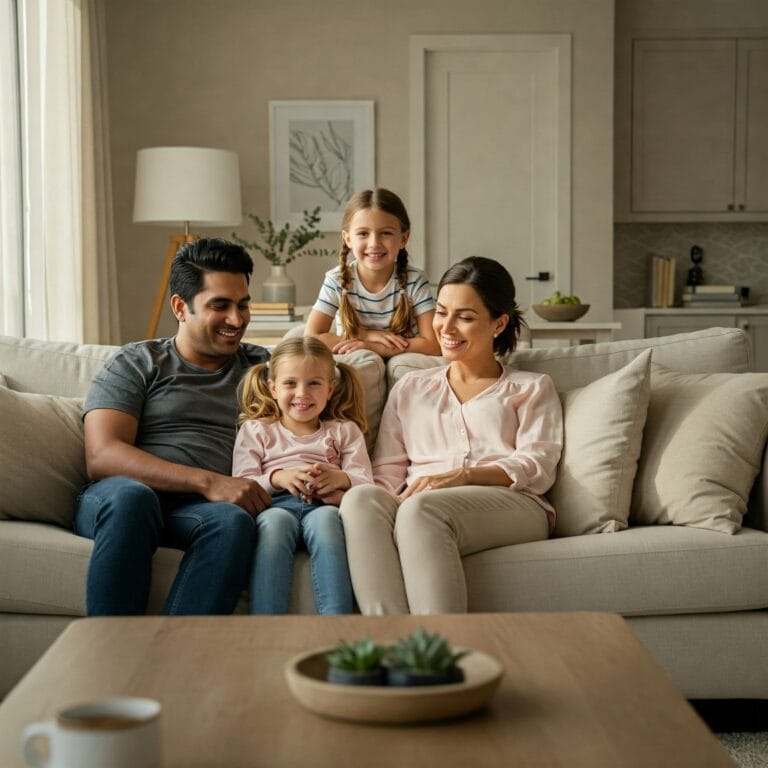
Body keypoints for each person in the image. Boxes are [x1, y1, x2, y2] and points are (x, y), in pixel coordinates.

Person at [339, 256, 564, 615]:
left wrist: (465, 476)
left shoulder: (531, 387)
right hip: (419, 502)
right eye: (441, 312)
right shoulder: (411, 387)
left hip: (512, 504)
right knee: (361, 500)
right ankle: (393, 639)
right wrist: (385, 501)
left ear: (499, 323)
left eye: (466, 316)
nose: (446, 327)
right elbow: (389, 469)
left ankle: (439, 648)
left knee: (421, 510)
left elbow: (537, 466)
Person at [73, 238, 272, 616]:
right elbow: (102, 455)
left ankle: (177, 660)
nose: (237, 320)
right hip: (120, 500)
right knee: (134, 498)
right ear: (181, 307)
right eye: (220, 306)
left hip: (199, 511)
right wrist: (209, 481)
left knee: (232, 521)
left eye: (243, 305)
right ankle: (110, 656)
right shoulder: (138, 361)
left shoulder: (262, 369)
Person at [232, 336, 372, 614]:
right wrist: (279, 477)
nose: (302, 393)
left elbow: (366, 481)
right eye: (290, 383)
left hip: (323, 506)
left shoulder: (343, 430)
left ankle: (336, 621)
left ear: (330, 389)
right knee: (274, 526)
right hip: (275, 506)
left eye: (314, 383)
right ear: (272, 388)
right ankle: (267, 622)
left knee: (327, 524)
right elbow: (242, 483)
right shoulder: (258, 430)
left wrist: (339, 479)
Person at [304, 187, 441, 358]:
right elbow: (312, 336)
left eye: (386, 233)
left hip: (400, 356)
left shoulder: (415, 280)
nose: (374, 243)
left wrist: (376, 347)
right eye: (363, 233)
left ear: (403, 238)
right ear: (348, 239)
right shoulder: (336, 280)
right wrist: (365, 336)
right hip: (357, 356)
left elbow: (434, 344)